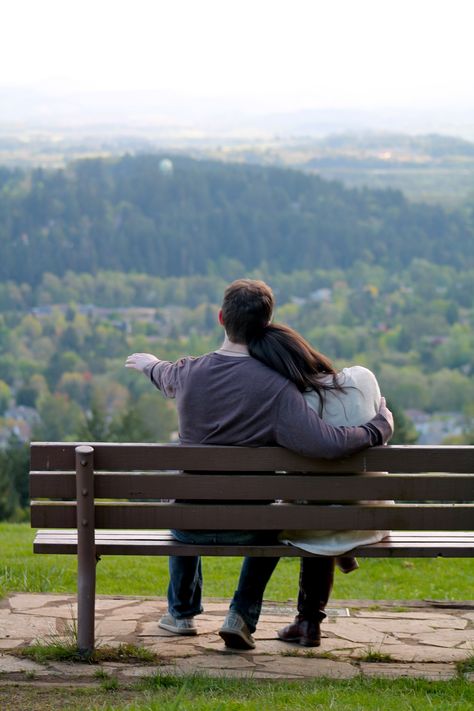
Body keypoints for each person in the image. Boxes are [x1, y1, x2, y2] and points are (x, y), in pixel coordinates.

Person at [125, 279, 393, 650]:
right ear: (267, 322)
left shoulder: (187, 373)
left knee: (181, 503)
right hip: (252, 526)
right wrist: (378, 427)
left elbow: (163, 374)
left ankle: (181, 613)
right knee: (269, 520)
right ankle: (241, 614)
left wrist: (147, 364)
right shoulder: (277, 388)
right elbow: (325, 444)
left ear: (221, 318)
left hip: (190, 526)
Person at [247, 322, 389, 647]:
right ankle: (309, 619)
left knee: (313, 514)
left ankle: (308, 622)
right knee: (323, 510)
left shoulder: (289, 406)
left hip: (315, 522)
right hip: (372, 518)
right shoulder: (363, 378)